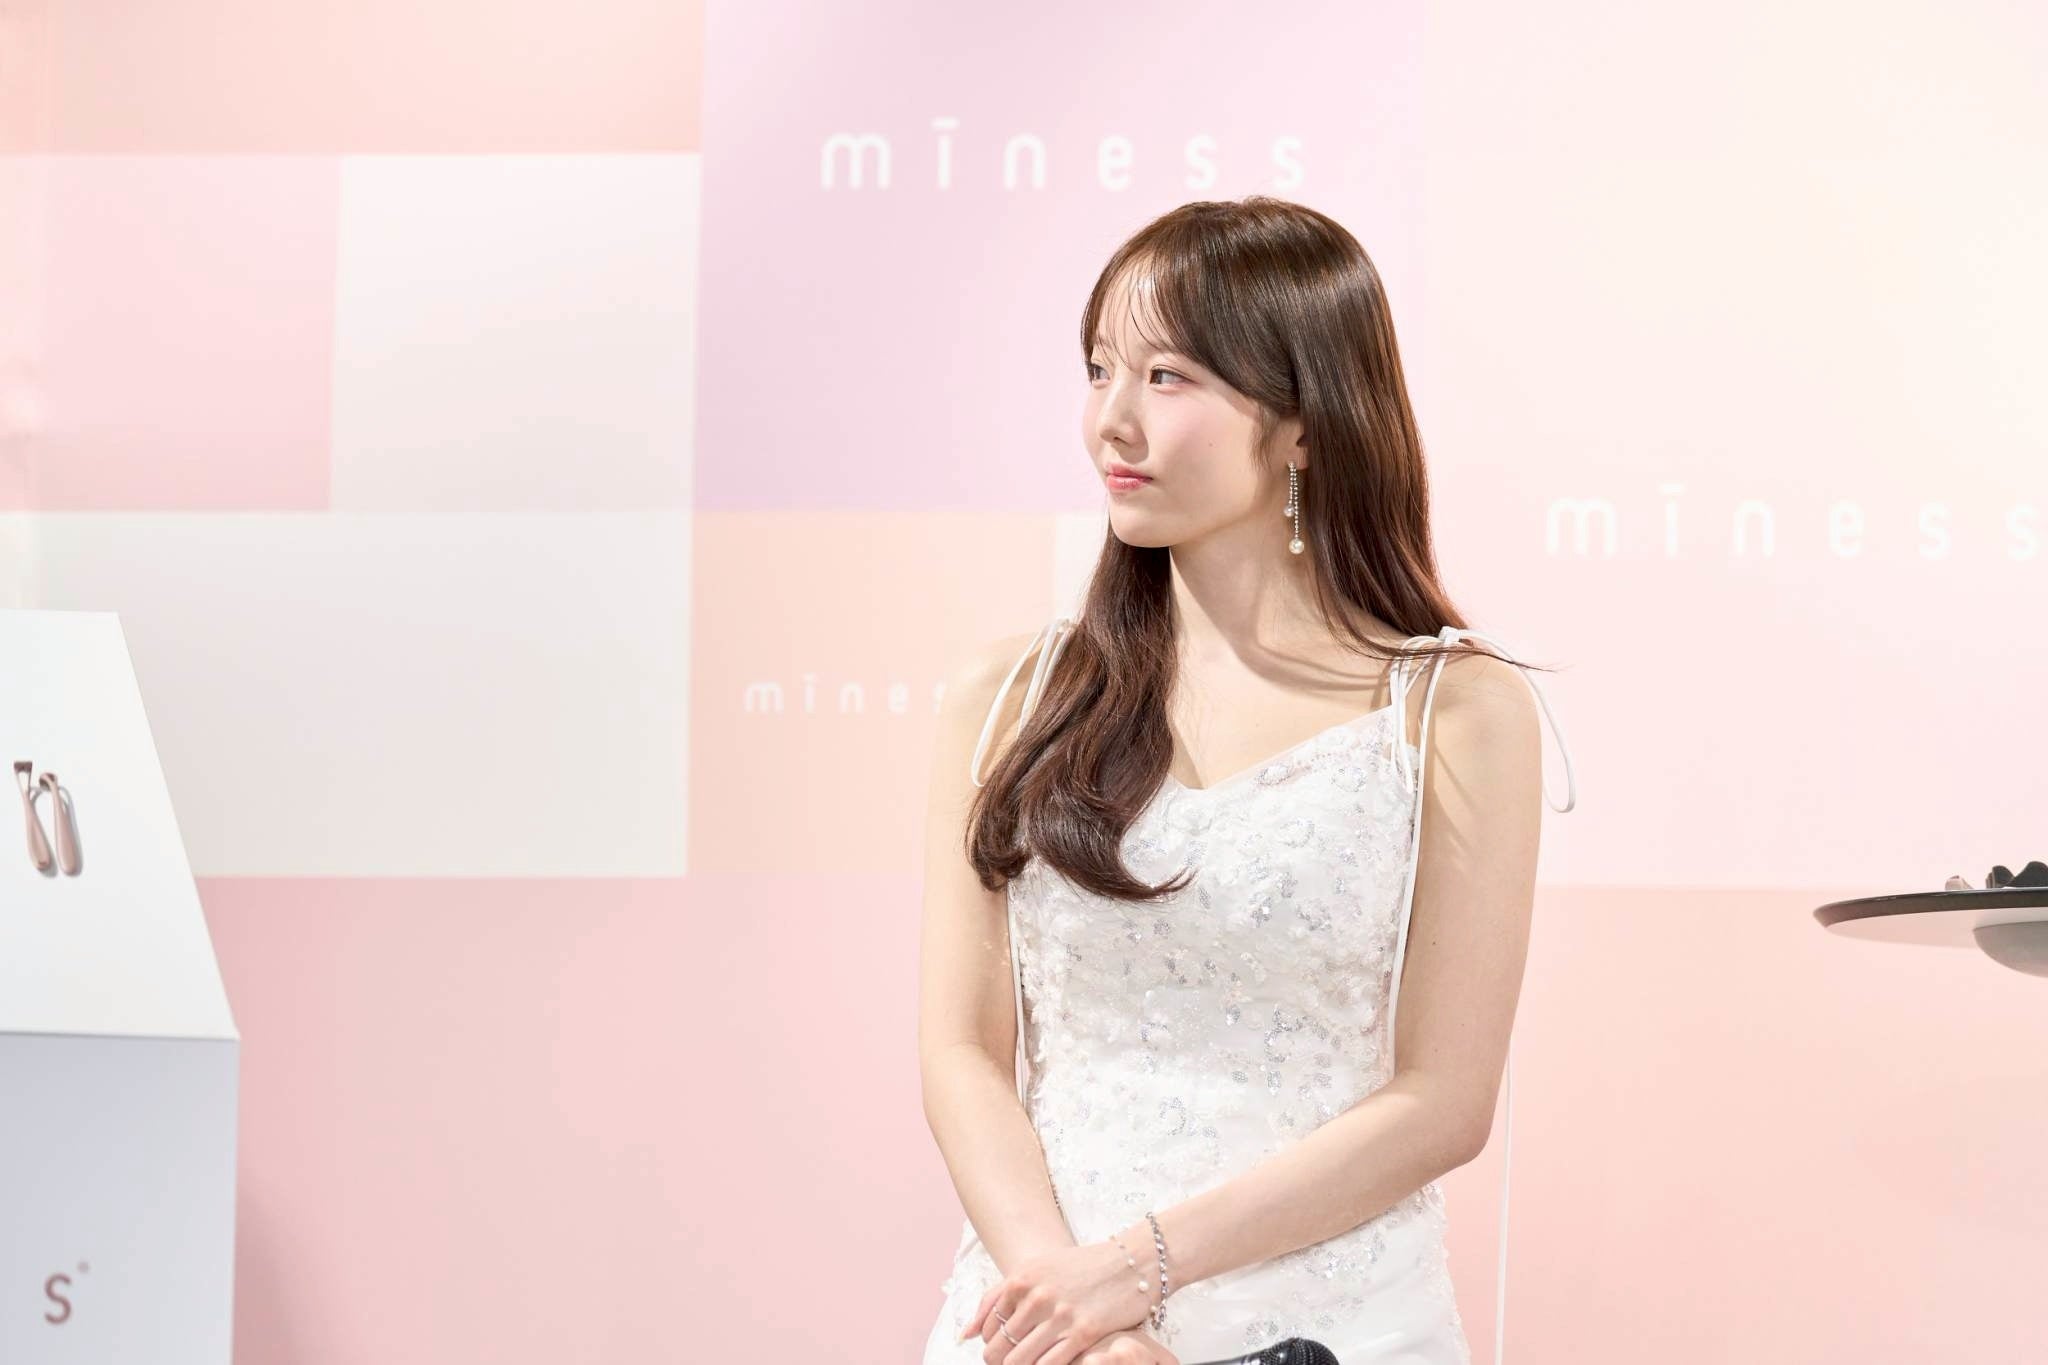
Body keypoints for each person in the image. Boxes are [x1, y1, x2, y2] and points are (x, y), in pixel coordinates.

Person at [916, 196, 1579, 1365]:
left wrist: (1131, 1270)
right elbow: (961, 1051)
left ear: (1305, 424)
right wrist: (1072, 1314)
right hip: (1038, 1329)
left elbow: (1444, 1099)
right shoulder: (1011, 698)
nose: (1111, 421)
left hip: (1338, 1327)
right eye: (1098, 369)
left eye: (1167, 377)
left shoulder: (1452, 712)